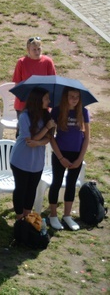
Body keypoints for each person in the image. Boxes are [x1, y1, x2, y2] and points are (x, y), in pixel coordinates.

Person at [48, 87, 90, 231]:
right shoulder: (57, 110)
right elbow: (51, 137)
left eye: (77, 97)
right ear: (65, 97)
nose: (74, 99)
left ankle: (67, 215)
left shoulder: (83, 112)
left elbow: (87, 138)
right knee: (57, 182)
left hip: (76, 154)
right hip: (60, 153)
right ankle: (53, 215)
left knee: (71, 184)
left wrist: (80, 158)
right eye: (71, 96)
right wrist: (60, 157)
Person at [11, 88, 54, 221]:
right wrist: (46, 129)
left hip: (37, 162)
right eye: (46, 98)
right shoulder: (24, 116)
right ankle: (19, 219)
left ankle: (27, 216)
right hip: (21, 160)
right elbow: (29, 139)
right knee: (21, 189)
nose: (49, 101)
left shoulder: (47, 116)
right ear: (38, 100)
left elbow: (49, 138)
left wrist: (39, 142)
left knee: (31, 190)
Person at [13, 37, 56, 117]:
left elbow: (52, 83)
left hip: (42, 103)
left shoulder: (48, 62)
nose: (37, 52)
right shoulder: (21, 62)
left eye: (39, 49)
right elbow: (17, 84)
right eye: (34, 49)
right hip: (24, 104)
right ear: (28, 50)